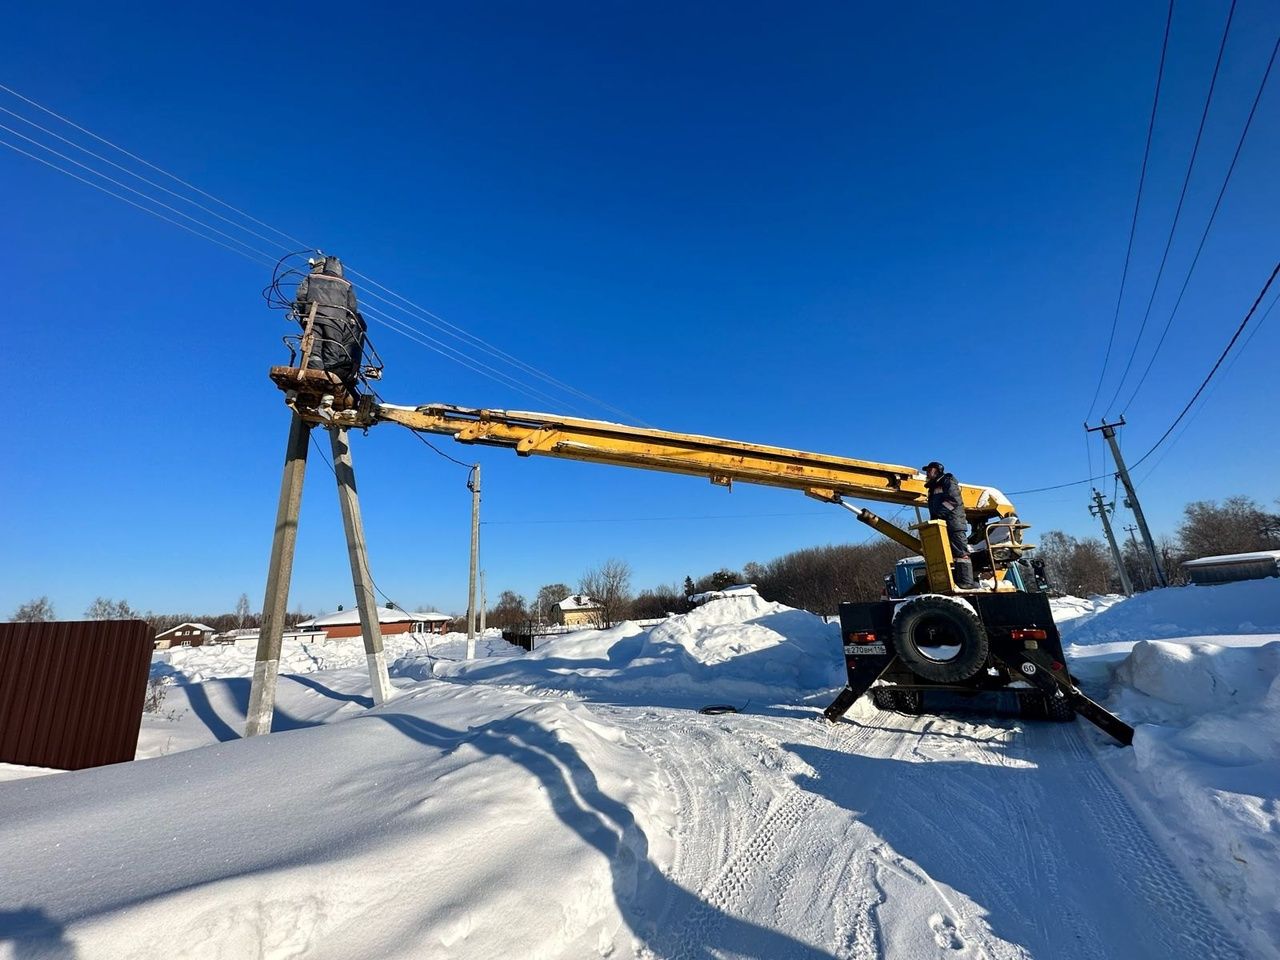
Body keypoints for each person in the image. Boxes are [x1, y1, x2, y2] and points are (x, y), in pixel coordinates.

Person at [922, 461, 976, 588]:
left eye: (930, 470)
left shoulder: (948, 481)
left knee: (960, 552)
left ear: (938, 470)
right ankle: (957, 580)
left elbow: (953, 501)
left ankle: (966, 582)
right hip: (944, 524)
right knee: (949, 553)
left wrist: (938, 515)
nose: (927, 473)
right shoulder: (933, 486)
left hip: (954, 524)